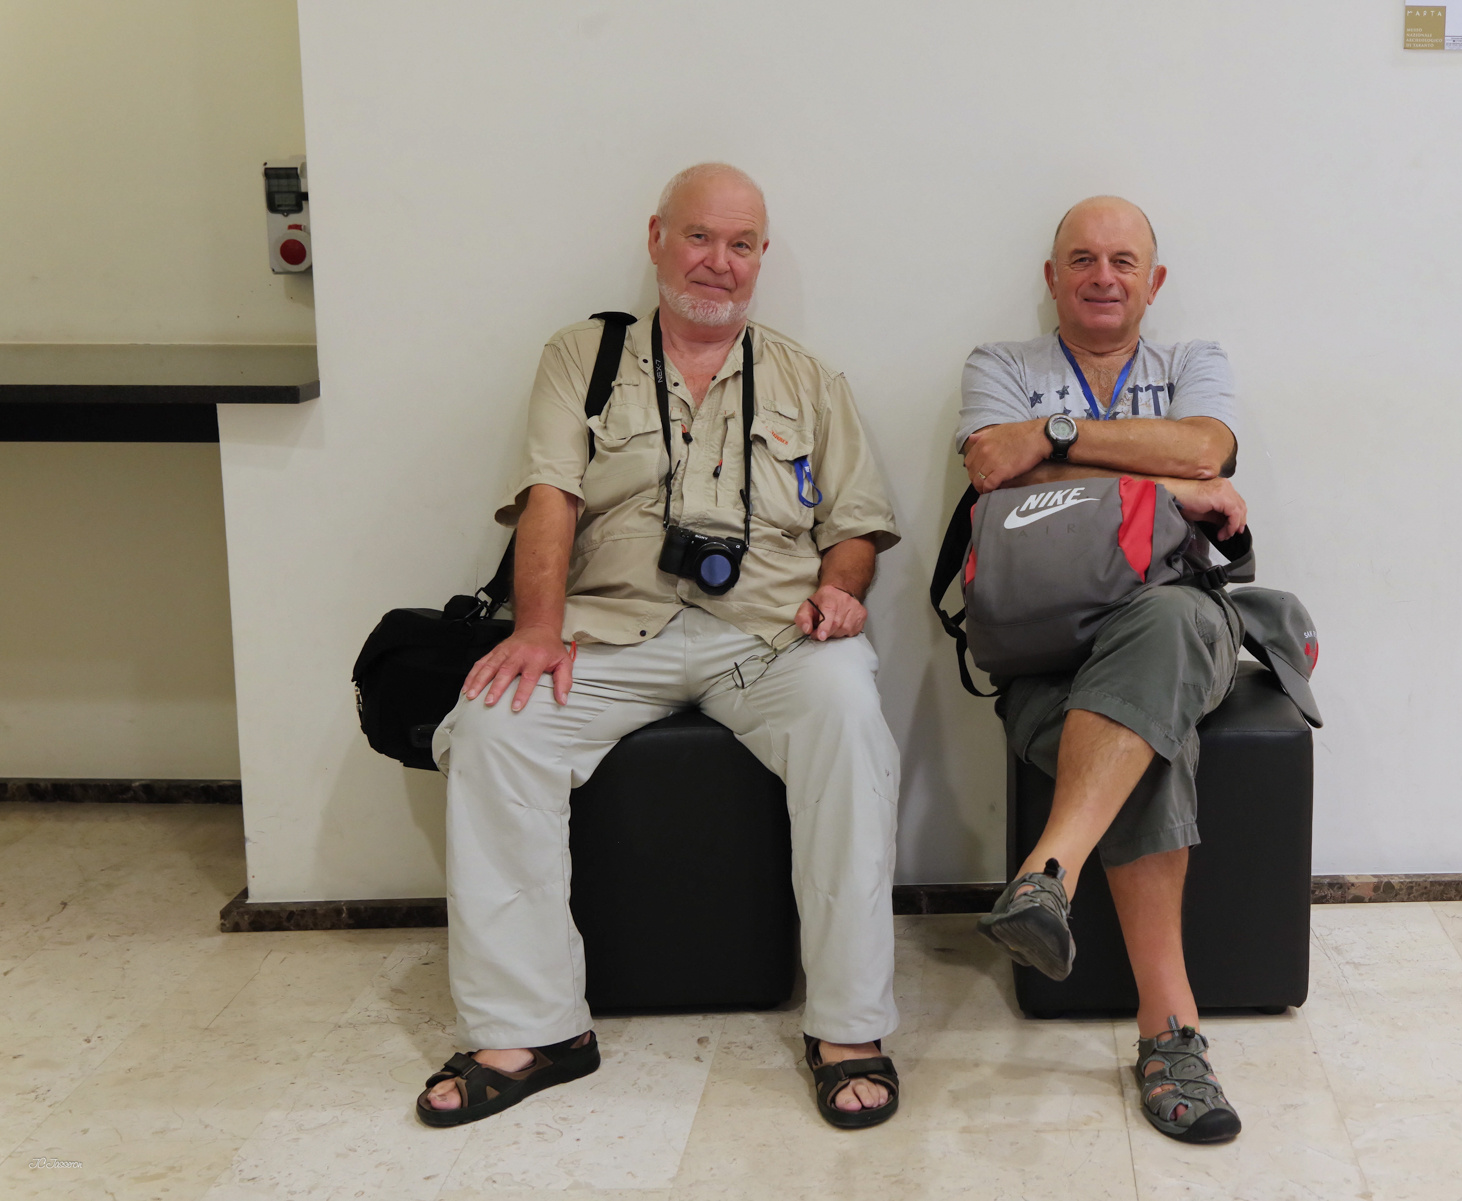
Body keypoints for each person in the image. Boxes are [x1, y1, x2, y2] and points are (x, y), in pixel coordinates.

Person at [418, 163, 904, 1130]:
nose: (718, 262)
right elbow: (550, 495)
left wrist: (840, 594)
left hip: (769, 633)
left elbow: (856, 526)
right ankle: (531, 1028)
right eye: (699, 237)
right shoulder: (582, 357)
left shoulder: (809, 379)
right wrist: (537, 630)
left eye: (741, 244)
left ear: (762, 257)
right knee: (493, 728)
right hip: (612, 628)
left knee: (850, 715)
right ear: (656, 238)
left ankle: (849, 1027)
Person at [957, 196, 1249, 1144]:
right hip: (1045, 650)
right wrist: (1167, 487)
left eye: (1124, 261)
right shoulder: (1000, 365)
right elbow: (995, 475)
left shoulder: (1192, 362)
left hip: (1187, 621)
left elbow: (1206, 447)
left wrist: (1051, 439)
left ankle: (1051, 871)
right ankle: (1170, 1043)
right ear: (1053, 276)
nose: (1103, 276)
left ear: (1153, 282)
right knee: (1146, 737)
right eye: (1082, 258)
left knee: (1165, 620)